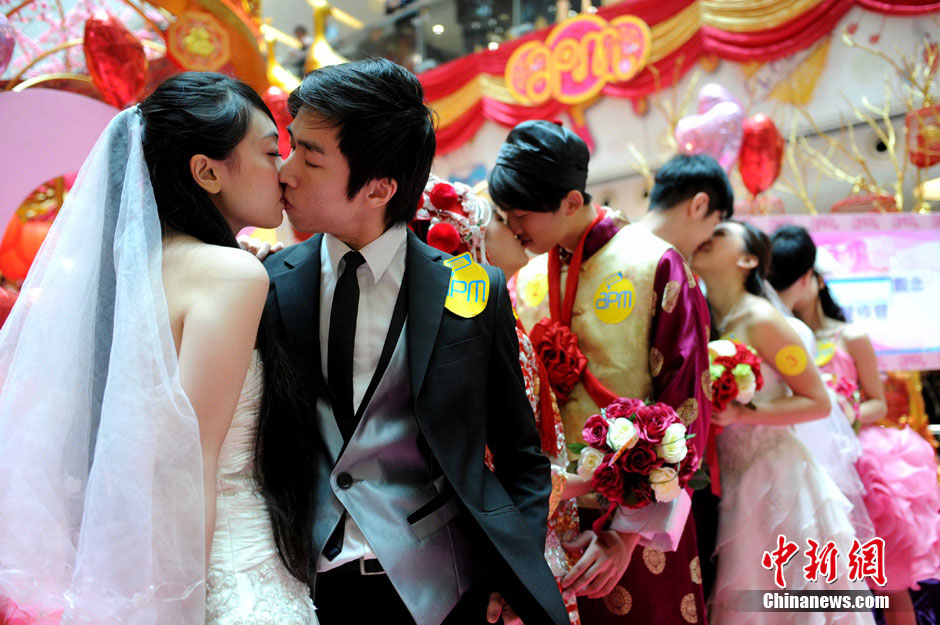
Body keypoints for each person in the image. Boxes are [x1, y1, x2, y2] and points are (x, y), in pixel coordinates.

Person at [0, 72, 317, 624]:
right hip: (223, 577)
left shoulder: (121, 279)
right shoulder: (231, 275)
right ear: (207, 171)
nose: (285, 173)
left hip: (127, 572)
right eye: (271, 152)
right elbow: (185, 467)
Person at [265, 58, 569, 625]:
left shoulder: (471, 287)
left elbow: (520, 451)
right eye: (289, 148)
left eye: (309, 156)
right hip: (309, 588)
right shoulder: (272, 282)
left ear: (380, 186)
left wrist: (517, 565)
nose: (285, 171)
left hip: (442, 589)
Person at [495, 120, 710, 624]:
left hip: (635, 517)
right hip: (548, 524)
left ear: (571, 201)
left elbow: (686, 408)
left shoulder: (654, 262)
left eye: (521, 214)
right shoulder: (521, 279)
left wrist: (626, 534)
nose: (512, 227)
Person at [414, 173, 587, 625]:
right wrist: (601, 482)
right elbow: (505, 461)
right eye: (500, 223)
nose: (516, 231)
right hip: (514, 538)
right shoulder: (492, 327)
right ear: (472, 239)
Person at [692, 220, 875, 625]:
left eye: (720, 233)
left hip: (780, 477)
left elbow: (817, 402)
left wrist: (742, 413)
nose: (707, 236)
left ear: (747, 259)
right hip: (737, 476)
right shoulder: (711, 320)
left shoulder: (761, 319)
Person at [771, 224, 940, 625]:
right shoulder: (782, 340)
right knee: (828, 578)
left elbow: (877, 404)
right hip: (810, 462)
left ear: (814, 278)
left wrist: (841, 413)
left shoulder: (852, 335)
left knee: (889, 578)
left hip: (865, 461)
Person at [635, 153, 733, 602]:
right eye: (714, 223)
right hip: (653, 478)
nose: (707, 238)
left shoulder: (603, 253)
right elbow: (684, 400)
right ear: (698, 206)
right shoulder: (670, 265)